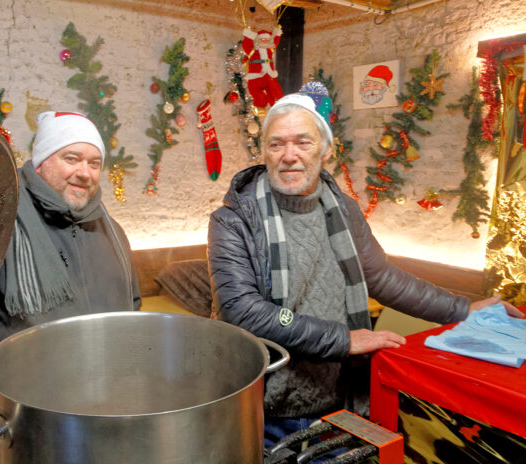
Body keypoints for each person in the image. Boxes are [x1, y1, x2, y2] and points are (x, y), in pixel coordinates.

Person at [206, 88, 524, 446]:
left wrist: (463, 309)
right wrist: (342, 338)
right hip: (264, 408)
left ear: (327, 150)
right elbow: (244, 312)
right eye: (276, 144)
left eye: (303, 142)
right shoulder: (234, 220)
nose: (289, 156)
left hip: (342, 398)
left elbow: (382, 277)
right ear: (263, 152)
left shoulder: (343, 209)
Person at [0, 111, 141, 463]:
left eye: (94, 162)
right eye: (71, 158)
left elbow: (132, 309)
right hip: (20, 414)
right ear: (42, 160)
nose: (85, 172)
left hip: (103, 409)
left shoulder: (112, 231)